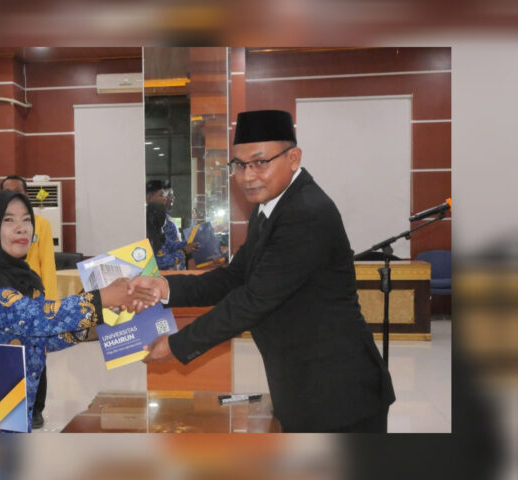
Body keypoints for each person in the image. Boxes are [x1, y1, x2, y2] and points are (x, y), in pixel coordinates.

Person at [131, 110, 395, 433]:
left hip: (339, 394)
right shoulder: (269, 207)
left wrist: (175, 345)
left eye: (260, 162)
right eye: (239, 165)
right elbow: (234, 277)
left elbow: (252, 301)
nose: (247, 176)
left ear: (294, 158)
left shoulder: (306, 212)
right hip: (302, 385)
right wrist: (165, 288)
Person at [0, 190, 154, 431]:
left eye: (27, 219)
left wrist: (102, 324)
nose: (22, 228)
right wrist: (102, 298)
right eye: (9, 220)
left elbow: (42, 339)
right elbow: (34, 318)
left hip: (14, 400)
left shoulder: (26, 277)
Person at [0, 175, 57, 428]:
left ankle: (36, 409)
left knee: (36, 354)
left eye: (18, 192)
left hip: (33, 299)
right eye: (7, 192)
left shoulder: (41, 225)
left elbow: (48, 265)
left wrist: (50, 307)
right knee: (8, 357)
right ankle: (10, 410)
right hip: (5, 301)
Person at [145, 179, 199, 269]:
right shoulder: (147, 223)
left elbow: (169, 244)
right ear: (149, 197)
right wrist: (184, 251)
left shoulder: (160, 218)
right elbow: (159, 261)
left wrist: (190, 242)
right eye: (161, 195)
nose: (165, 198)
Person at [146, 202, 186, 271]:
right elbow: (160, 262)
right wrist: (182, 253)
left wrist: (187, 242)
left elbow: (171, 245)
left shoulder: (158, 234)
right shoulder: (148, 238)